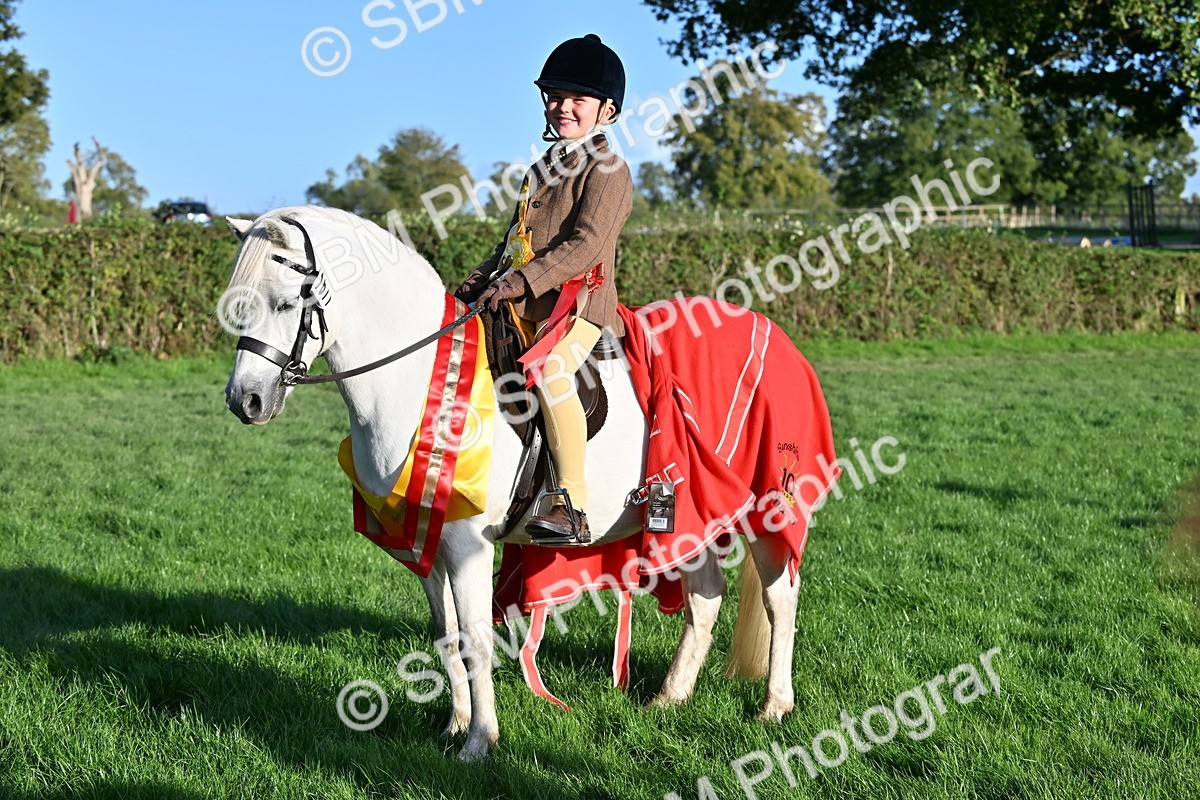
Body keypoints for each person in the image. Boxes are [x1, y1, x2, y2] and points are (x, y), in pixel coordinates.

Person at [455, 34, 633, 543]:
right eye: (555, 96)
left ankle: (571, 505)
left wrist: (520, 281)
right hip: (521, 305)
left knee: (553, 373)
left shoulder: (608, 170)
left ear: (606, 110)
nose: (563, 107)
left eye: (577, 99)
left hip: (579, 309)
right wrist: (483, 275)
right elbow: (517, 241)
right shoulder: (540, 170)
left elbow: (586, 245)